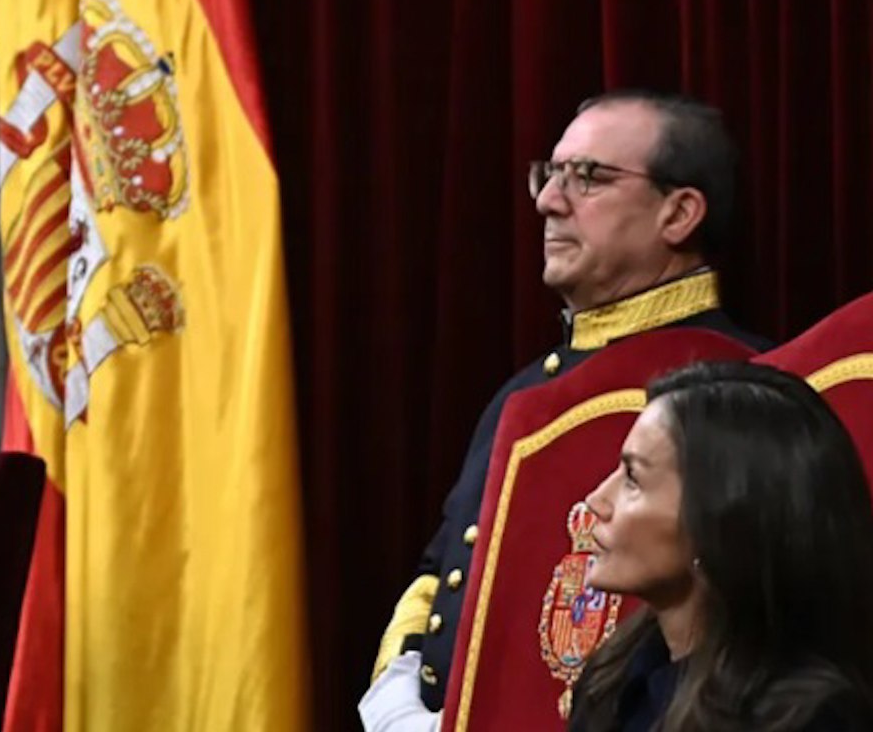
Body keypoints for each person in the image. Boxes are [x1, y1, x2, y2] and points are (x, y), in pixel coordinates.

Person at [361, 90, 771, 730]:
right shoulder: (525, 392)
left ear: (680, 212)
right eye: (550, 174)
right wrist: (402, 690)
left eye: (589, 178)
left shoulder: (752, 394)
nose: (550, 200)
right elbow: (441, 577)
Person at [568, 360, 873, 731]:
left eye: (633, 478)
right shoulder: (614, 681)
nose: (597, 500)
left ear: (719, 522)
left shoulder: (811, 720)